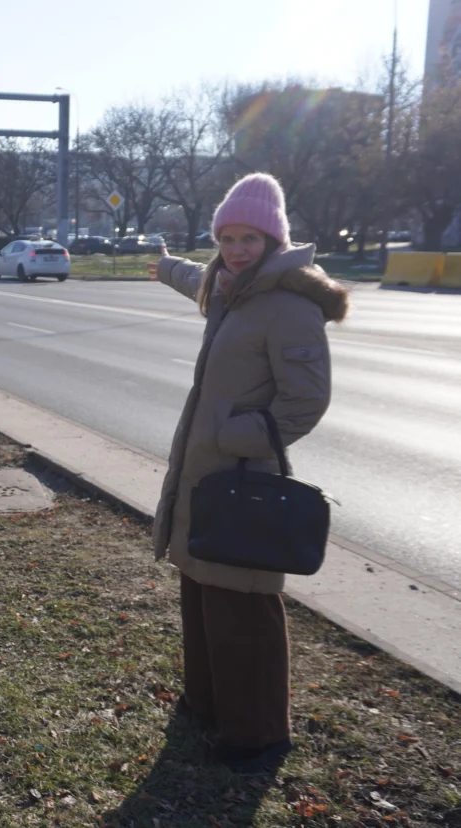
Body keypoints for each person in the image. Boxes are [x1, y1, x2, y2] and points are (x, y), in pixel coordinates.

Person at [146, 173, 349, 774]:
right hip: (207, 474)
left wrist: (240, 436)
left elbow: (306, 401)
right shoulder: (233, 289)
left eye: (249, 238)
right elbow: (200, 282)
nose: (236, 249)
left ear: (274, 240)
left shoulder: (288, 305)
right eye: (227, 238)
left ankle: (257, 735)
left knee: (244, 607)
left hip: (244, 476)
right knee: (202, 589)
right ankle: (207, 703)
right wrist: (168, 267)